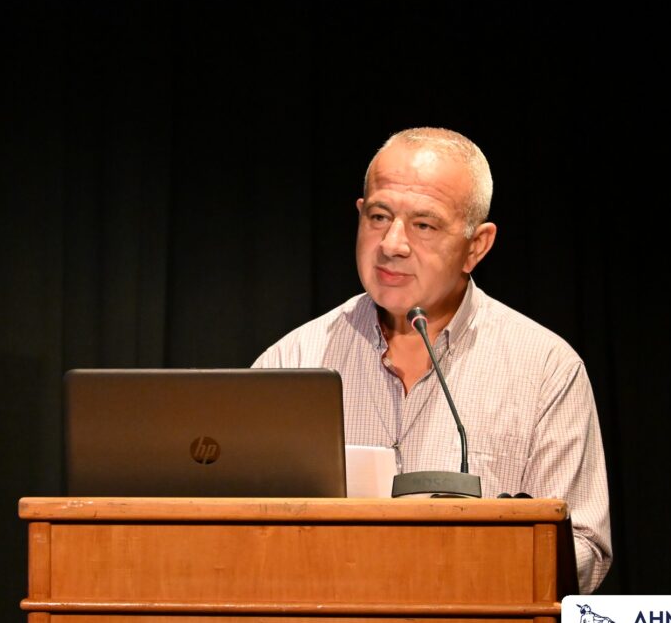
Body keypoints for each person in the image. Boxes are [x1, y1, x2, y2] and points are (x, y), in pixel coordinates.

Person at [253, 127, 611, 594]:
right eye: (379, 217)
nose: (392, 244)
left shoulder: (545, 369)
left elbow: (582, 545)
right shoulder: (291, 362)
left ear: (476, 246)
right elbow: (245, 528)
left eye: (423, 225)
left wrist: (465, 576)